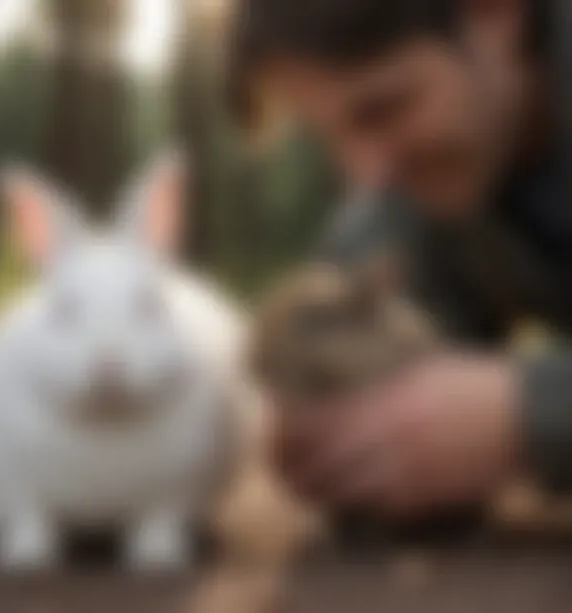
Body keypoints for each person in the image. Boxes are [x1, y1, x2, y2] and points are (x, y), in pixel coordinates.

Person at [228, 0, 572, 519]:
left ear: (497, 16)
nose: (367, 172)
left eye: (384, 109)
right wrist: (352, 429)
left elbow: (523, 416)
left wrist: (530, 414)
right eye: (325, 134)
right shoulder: (432, 187)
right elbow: (377, 290)